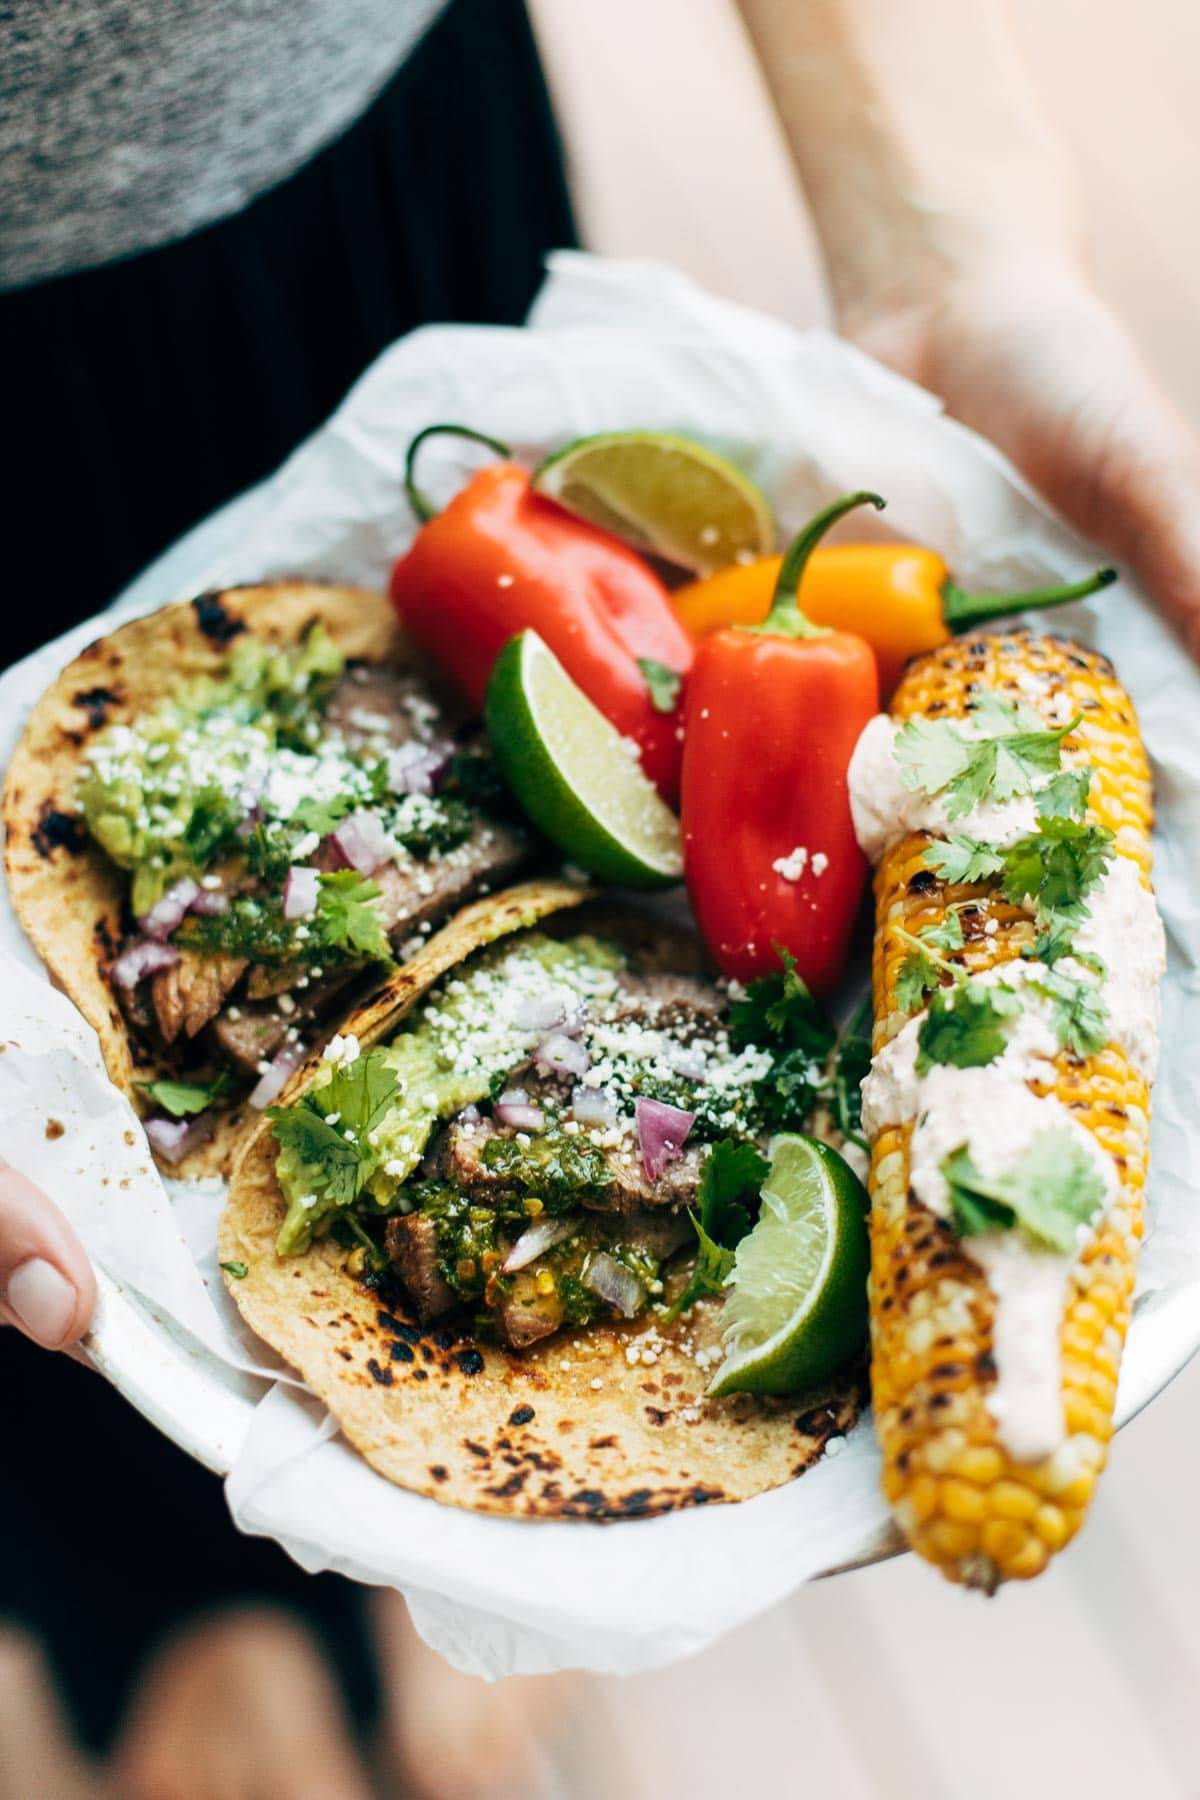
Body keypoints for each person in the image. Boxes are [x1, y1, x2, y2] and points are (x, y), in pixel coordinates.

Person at [3, 0, 1198, 1790]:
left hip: (370, 155)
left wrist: (958, 246)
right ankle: (179, 1629)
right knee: (51, 1240)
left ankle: (399, 1594)